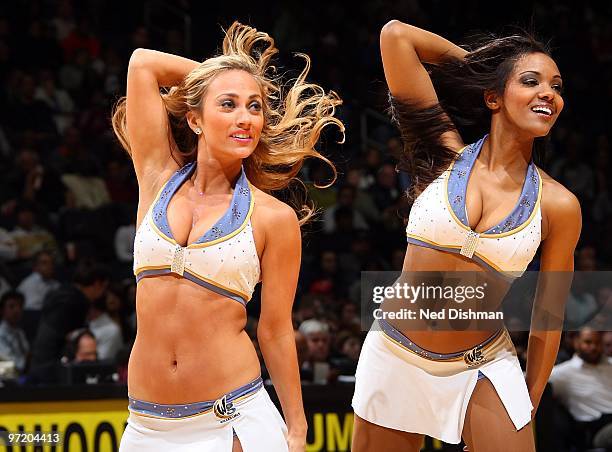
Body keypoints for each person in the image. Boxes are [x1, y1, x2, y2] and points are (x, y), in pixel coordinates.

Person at [112, 21, 343, 452]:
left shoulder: (274, 218)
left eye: (255, 107)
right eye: (229, 105)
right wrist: (220, 76)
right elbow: (143, 64)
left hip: (233, 421)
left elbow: (274, 331)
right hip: (145, 428)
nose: (246, 118)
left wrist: (296, 428)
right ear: (195, 120)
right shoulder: (156, 177)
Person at [352, 21, 582, 451]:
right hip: (394, 354)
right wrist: (488, 70)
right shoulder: (444, 156)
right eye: (531, 81)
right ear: (493, 98)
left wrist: (529, 397)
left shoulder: (559, 204)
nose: (548, 93)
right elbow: (396, 36)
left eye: (556, 86)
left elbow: (548, 316)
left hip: (482, 364)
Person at [549, 328, 612, 450]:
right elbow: (529, 380)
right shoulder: (563, 372)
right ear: (576, 342)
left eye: (597, 343)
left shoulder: (610, 364)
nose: (593, 347)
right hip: (596, 429)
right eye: (588, 342)